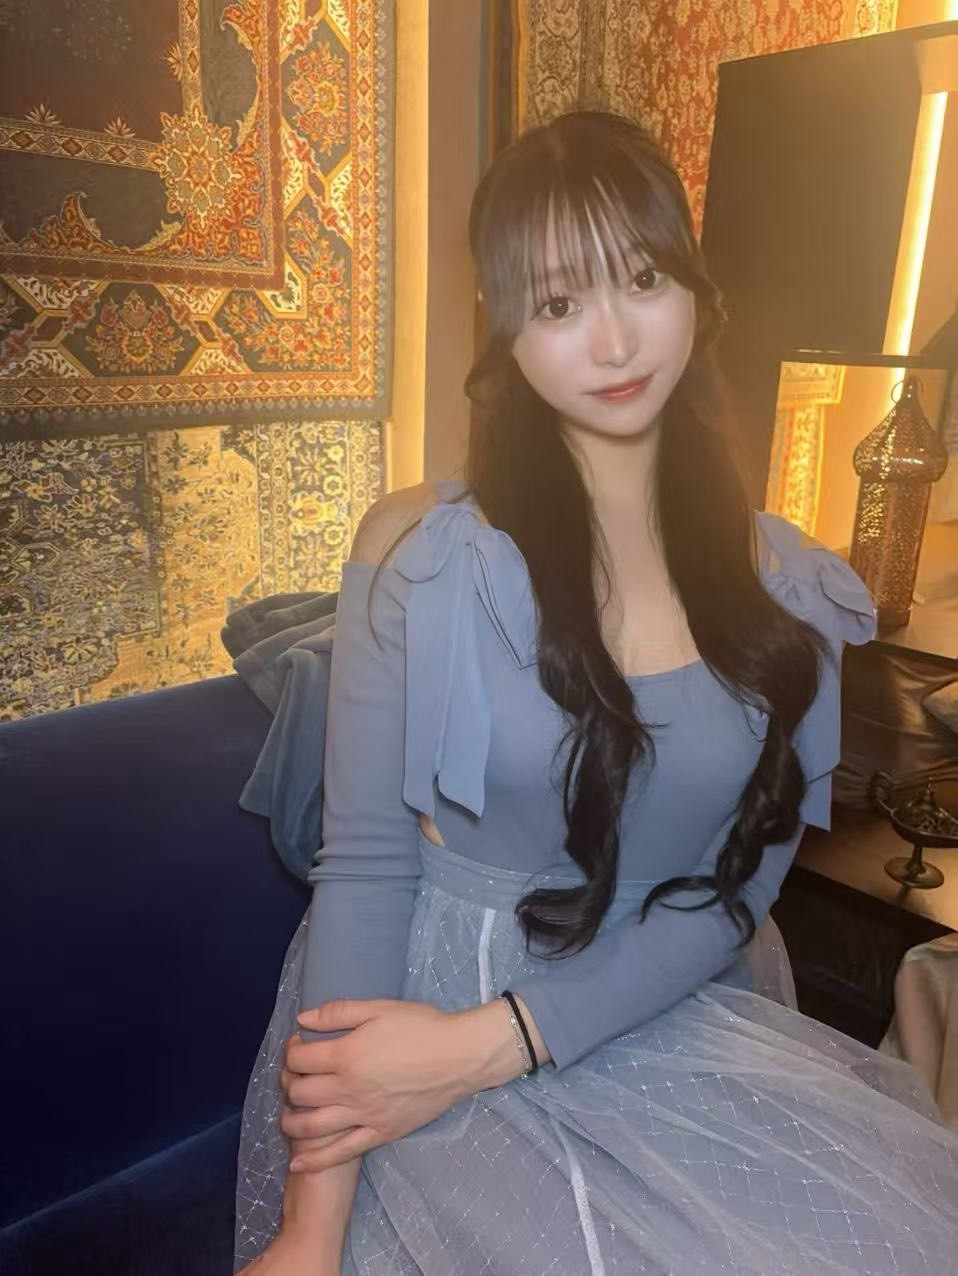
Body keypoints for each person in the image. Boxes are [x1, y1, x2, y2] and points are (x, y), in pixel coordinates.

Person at [234, 111, 958, 1274]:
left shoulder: (794, 585)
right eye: (559, 302)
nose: (614, 340)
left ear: (694, 290)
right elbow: (366, 864)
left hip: (659, 1003)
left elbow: (738, 885)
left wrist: (500, 1041)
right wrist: (310, 1230)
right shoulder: (419, 549)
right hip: (433, 998)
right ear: (506, 330)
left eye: (643, 278)